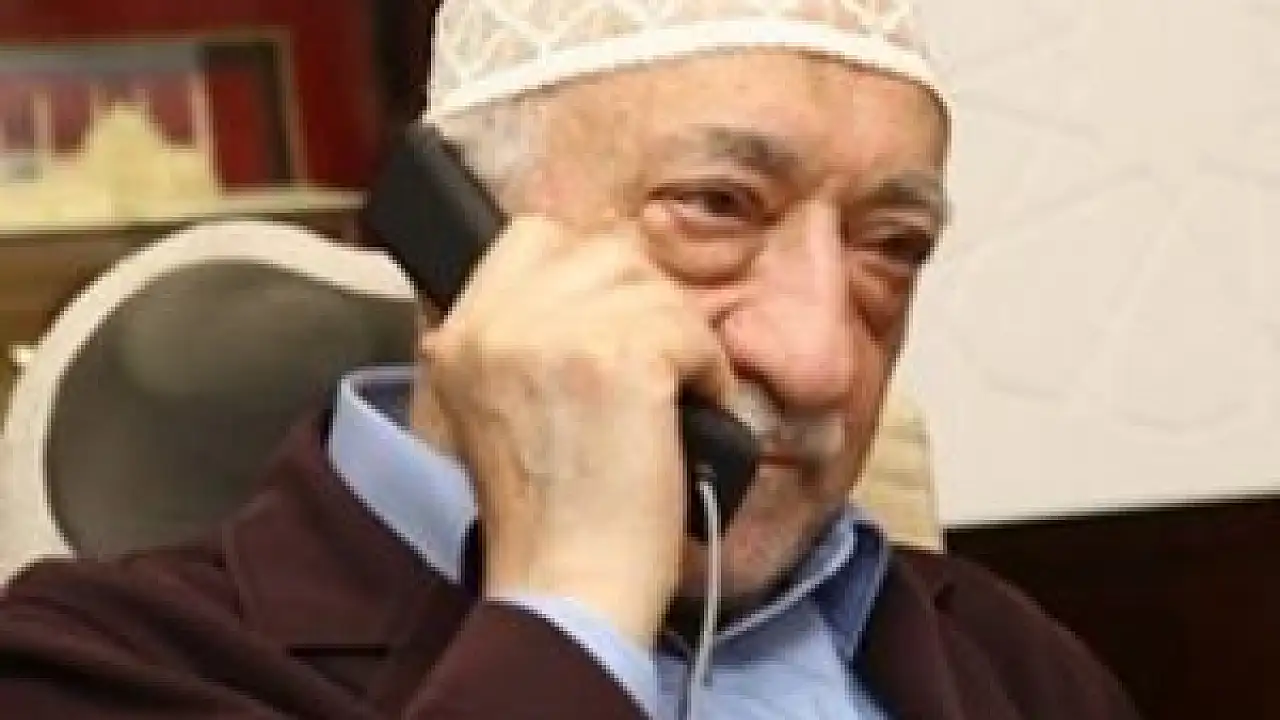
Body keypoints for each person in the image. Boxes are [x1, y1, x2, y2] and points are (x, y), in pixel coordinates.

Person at [0, 1, 1141, 718]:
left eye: (890, 246)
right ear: (460, 235)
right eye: (716, 206)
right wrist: (571, 601)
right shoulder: (92, 664)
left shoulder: (1009, 664)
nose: (821, 360)